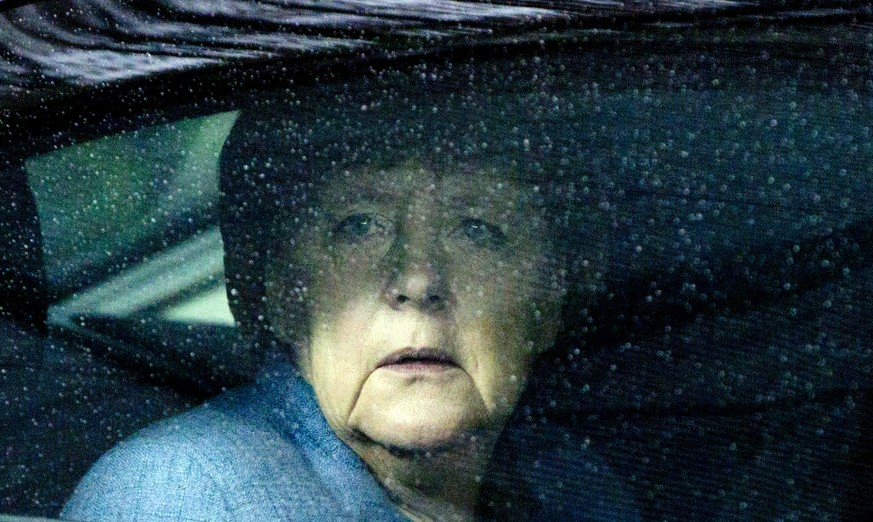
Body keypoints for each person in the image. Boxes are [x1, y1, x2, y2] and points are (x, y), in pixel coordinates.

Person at [61, 56, 639, 521]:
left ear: (553, 297)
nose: (417, 282)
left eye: (478, 229)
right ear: (282, 294)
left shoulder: (568, 484)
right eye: (358, 225)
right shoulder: (186, 494)